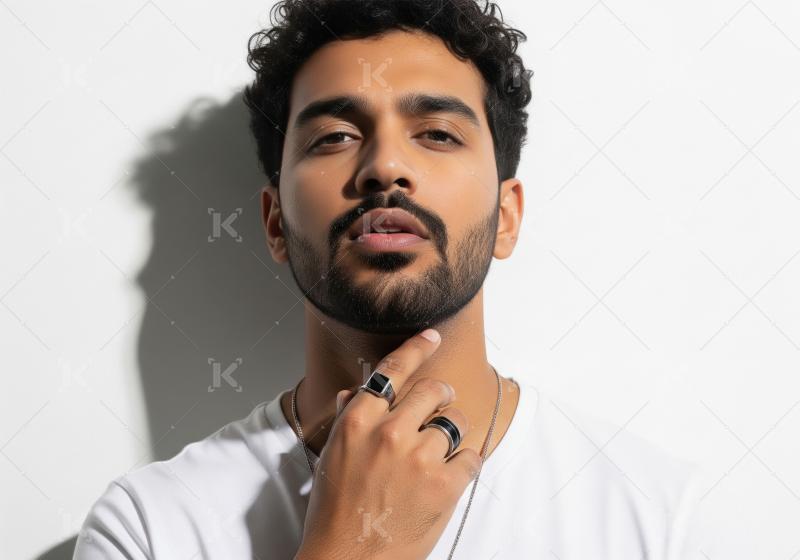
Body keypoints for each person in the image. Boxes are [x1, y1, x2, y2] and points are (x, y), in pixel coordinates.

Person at [74, 1, 704, 558]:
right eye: (336, 136)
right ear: (274, 223)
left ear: (506, 217)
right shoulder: (149, 528)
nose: (385, 167)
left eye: (436, 133)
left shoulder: (660, 515)